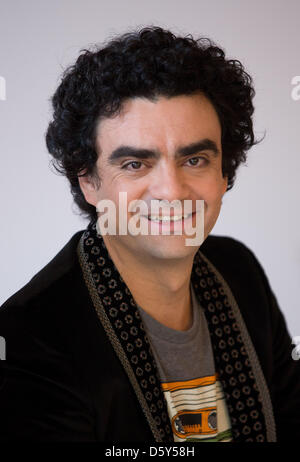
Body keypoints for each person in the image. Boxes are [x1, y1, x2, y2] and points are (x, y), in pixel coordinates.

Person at [0, 26, 299, 443]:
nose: (172, 191)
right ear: (88, 180)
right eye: (135, 164)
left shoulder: (239, 271)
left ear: (224, 171)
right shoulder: (30, 339)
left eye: (194, 159)